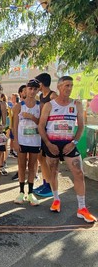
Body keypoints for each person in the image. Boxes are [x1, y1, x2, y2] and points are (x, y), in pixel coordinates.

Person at [38, 75, 97, 223]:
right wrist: (48, 144)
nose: (69, 88)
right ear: (59, 87)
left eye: (71, 85)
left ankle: (82, 208)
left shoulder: (76, 104)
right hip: (52, 144)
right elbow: (40, 126)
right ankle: (56, 199)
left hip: (69, 144)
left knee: (79, 172)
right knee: (53, 172)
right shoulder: (49, 105)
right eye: (66, 85)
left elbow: (81, 126)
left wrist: (74, 142)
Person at [13, 79, 41, 206]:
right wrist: (15, 141)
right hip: (22, 140)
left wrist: (32, 117)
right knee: (21, 166)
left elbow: (42, 124)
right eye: (30, 89)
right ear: (26, 89)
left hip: (35, 141)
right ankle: (21, 192)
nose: (32, 91)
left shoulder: (40, 106)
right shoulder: (19, 105)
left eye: (35, 89)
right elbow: (15, 125)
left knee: (32, 166)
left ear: (38, 90)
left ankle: (30, 193)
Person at [33, 72, 58, 197]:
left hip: (50, 132)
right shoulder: (41, 96)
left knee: (49, 161)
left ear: (41, 84)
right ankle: (45, 182)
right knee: (41, 158)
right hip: (42, 131)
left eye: (36, 83)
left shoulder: (53, 96)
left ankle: (50, 186)